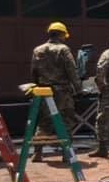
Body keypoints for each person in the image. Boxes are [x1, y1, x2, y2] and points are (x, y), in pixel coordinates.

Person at [30, 22, 81, 162]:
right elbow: (72, 70)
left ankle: (38, 153)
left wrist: (36, 88)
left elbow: (33, 72)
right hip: (62, 92)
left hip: (44, 91)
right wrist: (79, 88)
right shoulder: (63, 49)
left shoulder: (38, 50)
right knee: (66, 121)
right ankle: (66, 154)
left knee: (43, 121)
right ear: (61, 34)